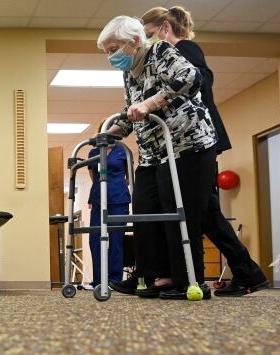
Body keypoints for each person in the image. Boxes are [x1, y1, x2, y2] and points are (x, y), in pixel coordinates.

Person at [141, 6, 269, 297]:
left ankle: (227, 274)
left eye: (149, 35)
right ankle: (248, 273)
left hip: (200, 140)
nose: (148, 42)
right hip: (191, 142)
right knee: (208, 212)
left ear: (163, 28)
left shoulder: (185, 48)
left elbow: (198, 82)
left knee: (201, 212)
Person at [98, 15, 215, 299]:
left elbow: (191, 77)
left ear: (135, 41)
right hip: (153, 152)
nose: (111, 57)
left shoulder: (160, 51)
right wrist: (110, 133)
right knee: (145, 211)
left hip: (189, 145)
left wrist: (150, 103)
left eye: (114, 49)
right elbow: (131, 113)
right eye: (107, 52)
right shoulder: (130, 72)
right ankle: (157, 277)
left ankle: (188, 280)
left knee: (180, 214)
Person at [86, 136, 130, 287]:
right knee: (95, 239)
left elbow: (129, 177)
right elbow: (93, 177)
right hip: (98, 199)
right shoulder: (93, 152)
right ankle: (99, 280)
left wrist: (114, 188)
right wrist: (97, 194)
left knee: (116, 239)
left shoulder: (123, 150)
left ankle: (114, 280)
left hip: (119, 199)